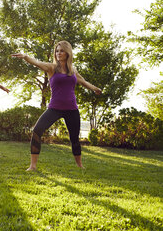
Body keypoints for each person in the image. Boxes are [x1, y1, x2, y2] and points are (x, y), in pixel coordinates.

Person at [11, 40, 102, 171]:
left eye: (62, 51)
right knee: (37, 131)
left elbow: (82, 81)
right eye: (57, 51)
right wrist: (25, 57)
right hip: (55, 108)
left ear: (68, 53)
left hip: (72, 109)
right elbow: (37, 62)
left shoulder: (72, 70)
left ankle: (80, 165)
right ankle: (33, 166)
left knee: (74, 138)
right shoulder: (52, 68)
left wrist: (95, 89)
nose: (58, 53)